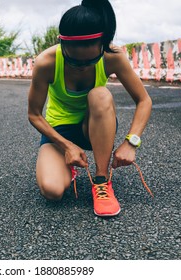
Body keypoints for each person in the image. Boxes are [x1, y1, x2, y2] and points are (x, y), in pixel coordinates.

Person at [27, 0, 152, 217]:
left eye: (90, 61)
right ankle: (69, 166)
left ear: (102, 44)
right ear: (61, 44)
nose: (82, 67)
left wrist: (131, 142)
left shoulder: (113, 57)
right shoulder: (45, 62)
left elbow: (144, 100)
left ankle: (102, 180)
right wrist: (67, 146)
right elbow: (34, 114)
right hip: (60, 130)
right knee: (52, 190)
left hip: (93, 126)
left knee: (100, 94)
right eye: (73, 61)